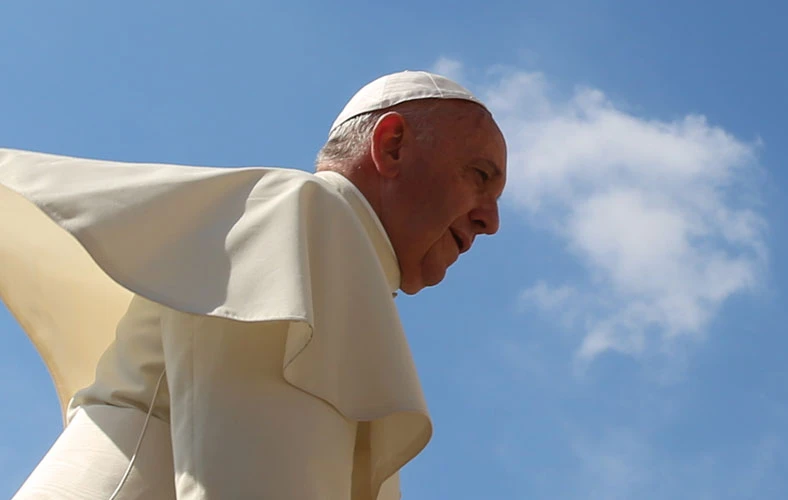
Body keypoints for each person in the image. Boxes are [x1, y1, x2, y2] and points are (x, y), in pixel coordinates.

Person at [0, 70, 507, 499]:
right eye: (479, 175)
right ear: (391, 146)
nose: (491, 221)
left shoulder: (334, 242)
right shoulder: (308, 214)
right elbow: (252, 474)